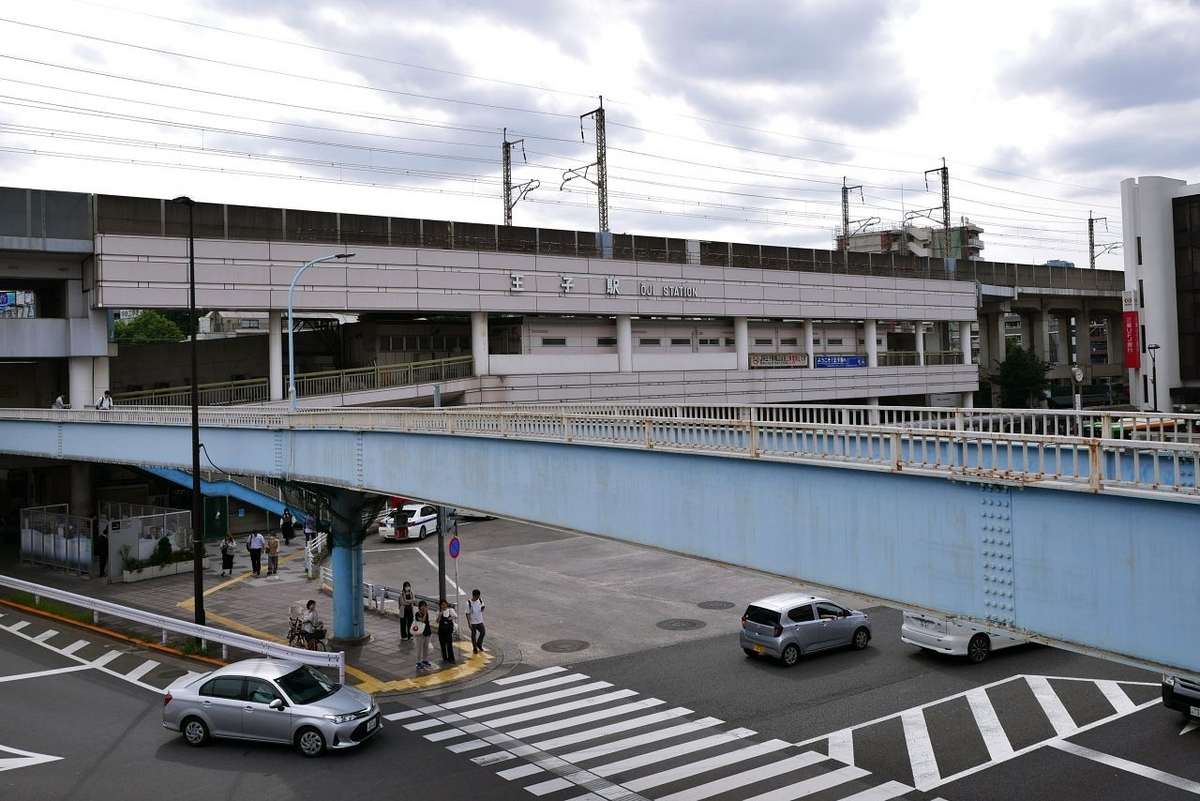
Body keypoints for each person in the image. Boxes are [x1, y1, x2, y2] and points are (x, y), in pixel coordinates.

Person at [437, 599, 458, 664]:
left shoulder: (450, 610)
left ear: (447, 604)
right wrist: (440, 615)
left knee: (449, 645)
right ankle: (445, 658)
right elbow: (437, 621)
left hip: (448, 631)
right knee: (442, 645)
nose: (443, 606)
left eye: (444, 604)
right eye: (442, 605)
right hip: (441, 631)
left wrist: (450, 618)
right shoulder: (438, 612)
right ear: (440, 606)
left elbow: (455, 616)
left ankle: (451, 658)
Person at [414, 600, 432, 670]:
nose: (424, 607)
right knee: (419, 648)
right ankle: (418, 662)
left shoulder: (427, 613)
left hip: (427, 632)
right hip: (420, 634)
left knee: (426, 647)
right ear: (419, 607)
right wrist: (425, 614)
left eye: (425, 606)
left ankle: (425, 660)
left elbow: (427, 622)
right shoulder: (417, 614)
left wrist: (426, 613)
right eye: (422, 606)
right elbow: (422, 620)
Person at [467, 589, 486, 654]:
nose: (478, 598)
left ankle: (479, 644)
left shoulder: (480, 600)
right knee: (473, 635)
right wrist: (469, 623)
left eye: (479, 596)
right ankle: (475, 648)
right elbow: (467, 613)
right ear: (474, 596)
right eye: (477, 596)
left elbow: (482, 608)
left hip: (480, 620)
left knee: (483, 632)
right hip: (473, 622)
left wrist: (483, 608)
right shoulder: (469, 603)